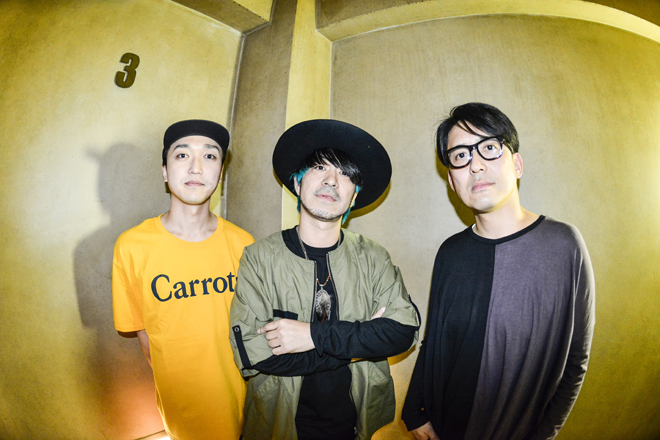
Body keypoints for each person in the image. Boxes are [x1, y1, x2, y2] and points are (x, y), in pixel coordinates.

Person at [402, 103, 596, 440]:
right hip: (443, 426)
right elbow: (434, 341)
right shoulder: (450, 253)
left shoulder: (564, 245)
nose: (475, 165)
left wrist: (544, 436)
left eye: (489, 148)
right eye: (460, 156)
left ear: (516, 164)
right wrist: (414, 411)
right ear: (452, 181)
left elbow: (575, 360)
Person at [229, 119, 420, 440]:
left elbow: (402, 332)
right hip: (279, 424)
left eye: (345, 174)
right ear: (297, 183)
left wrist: (311, 336)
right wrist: (362, 340)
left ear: (354, 197)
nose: (331, 180)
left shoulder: (374, 256)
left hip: (357, 425)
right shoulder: (259, 257)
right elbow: (253, 351)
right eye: (319, 167)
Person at [112, 120, 254, 440]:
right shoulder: (131, 247)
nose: (195, 168)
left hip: (244, 411)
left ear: (220, 172)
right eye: (182, 155)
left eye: (209, 156)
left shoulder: (243, 244)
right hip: (182, 417)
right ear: (165, 171)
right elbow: (146, 338)